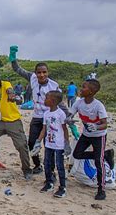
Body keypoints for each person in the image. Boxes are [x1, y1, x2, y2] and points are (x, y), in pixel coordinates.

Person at [9, 45, 72, 175]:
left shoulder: (53, 85)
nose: (41, 75)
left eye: (44, 72)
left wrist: (68, 116)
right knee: (32, 143)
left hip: (50, 118)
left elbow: (61, 103)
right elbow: (17, 69)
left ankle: (51, 170)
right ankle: (38, 165)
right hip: (37, 117)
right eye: (39, 72)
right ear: (35, 73)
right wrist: (13, 56)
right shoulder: (32, 77)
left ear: (47, 72)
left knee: (49, 144)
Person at [70, 79, 108, 200]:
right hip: (86, 135)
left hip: (99, 136)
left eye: (84, 87)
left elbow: (105, 124)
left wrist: (96, 126)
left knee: (98, 163)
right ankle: (104, 155)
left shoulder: (98, 105)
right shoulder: (79, 103)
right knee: (77, 154)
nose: (81, 89)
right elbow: (70, 114)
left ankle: (101, 189)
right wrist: (68, 120)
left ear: (91, 91)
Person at [33, 91, 71, 197]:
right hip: (49, 143)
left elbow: (65, 129)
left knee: (60, 165)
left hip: (59, 145)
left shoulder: (60, 114)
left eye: (46, 98)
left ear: (53, 101)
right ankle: (49, 182)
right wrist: (38, 142)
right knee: (47, 163)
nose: (44, 100)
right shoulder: (46, 114)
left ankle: (62, 187)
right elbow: (44, 130)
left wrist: (66, 143)